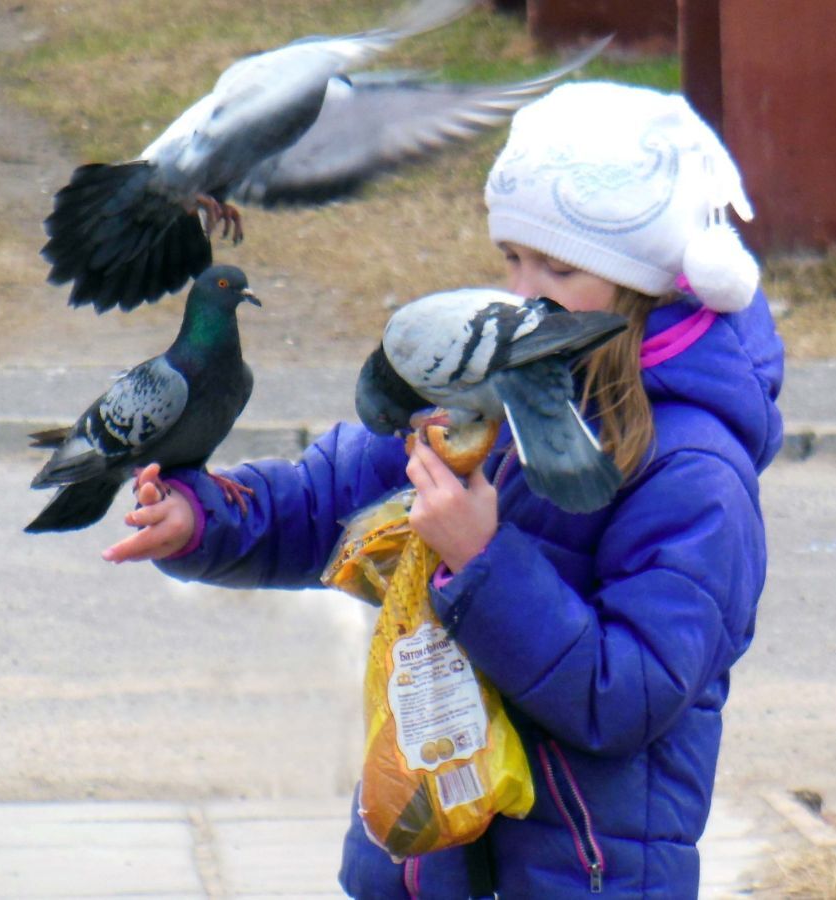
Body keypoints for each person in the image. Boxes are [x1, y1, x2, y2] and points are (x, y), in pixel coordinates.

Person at [103, 82, 785, 897]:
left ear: (649, 282)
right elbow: (328, 501)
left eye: (560, 267)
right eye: (512, 258)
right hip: (427, 856)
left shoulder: (693, 472)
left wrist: (482, 561)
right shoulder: (477, 379)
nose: (524, 291)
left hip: (580, 880)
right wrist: (203, 516)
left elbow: (627, 696)